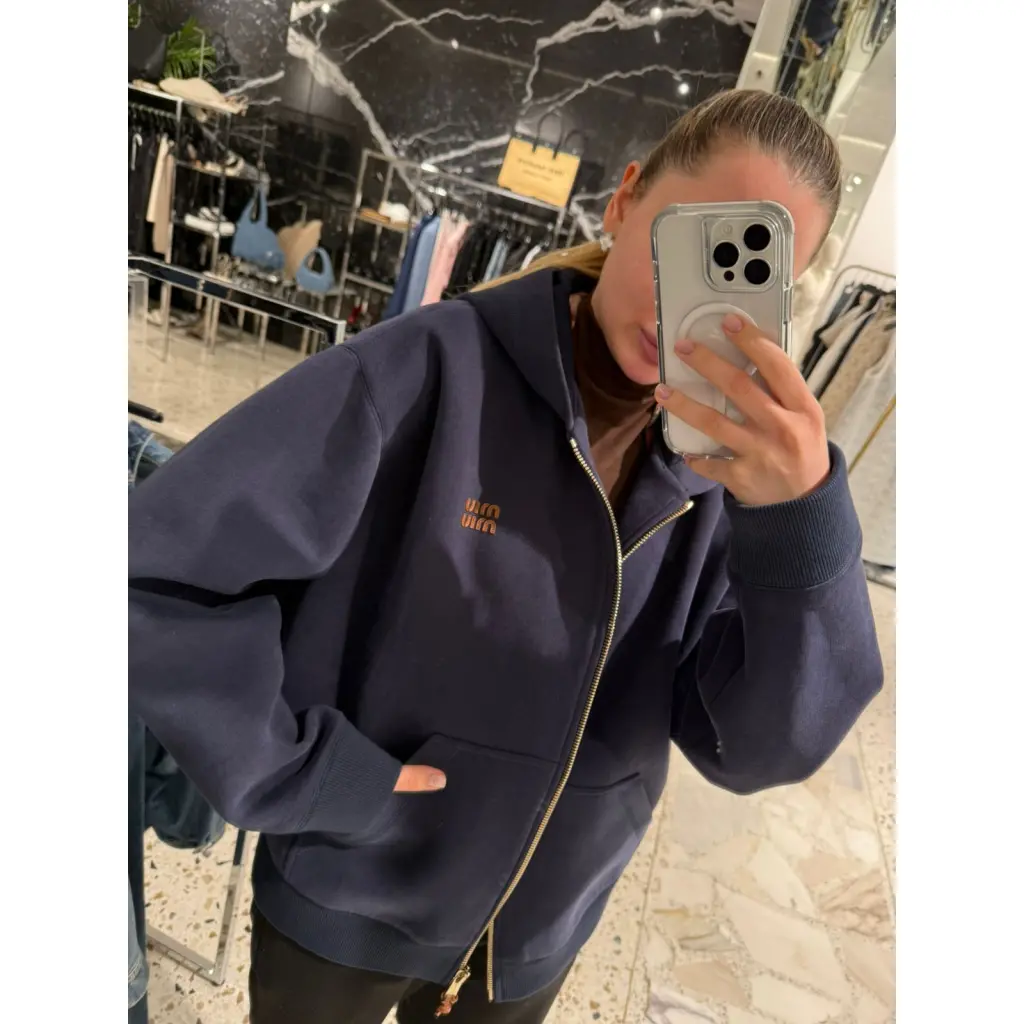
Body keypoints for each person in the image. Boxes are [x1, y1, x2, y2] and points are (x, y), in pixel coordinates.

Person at [128, 90, 883, 1024]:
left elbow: (755, 749)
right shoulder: (423, 372)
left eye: (742, 275)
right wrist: (305, 775)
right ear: (625, 200)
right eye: (685, 240)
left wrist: (802, 526)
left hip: (533, 943)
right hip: (344, 905)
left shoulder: (732, 484)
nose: (686, 302)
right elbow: (156, 571)